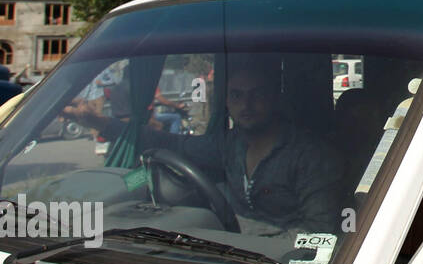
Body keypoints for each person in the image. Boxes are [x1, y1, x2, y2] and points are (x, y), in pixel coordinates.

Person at [65, 55, 344, 232]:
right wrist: (99, 122)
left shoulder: (309, 156)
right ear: (226, 102)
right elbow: (170, 143)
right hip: (230, 252)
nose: (246, 105)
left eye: (257, 95)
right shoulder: (229, 144)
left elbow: (320, 232)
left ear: (274, 98)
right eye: (236, 96)